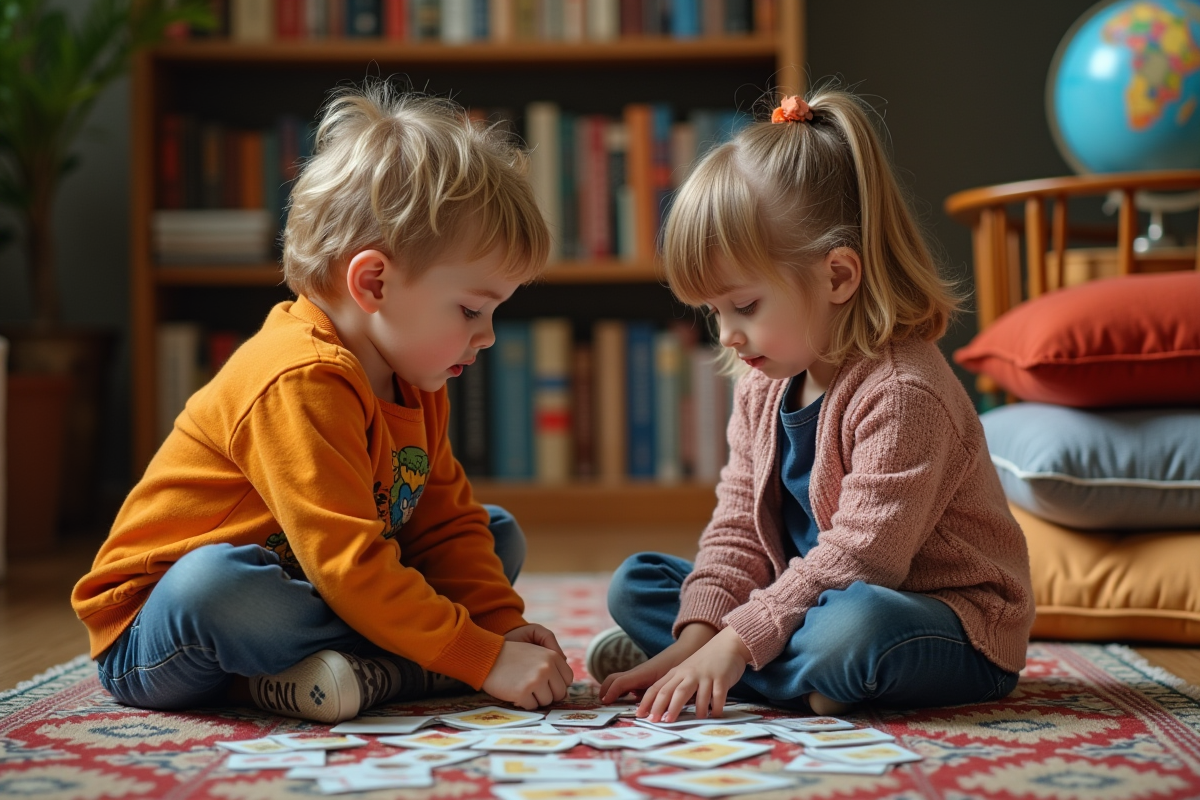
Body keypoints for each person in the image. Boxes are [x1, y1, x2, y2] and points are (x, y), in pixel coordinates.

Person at [72, 82, 574, 724]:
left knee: (493, 534)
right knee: (220, 586)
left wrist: (501, 628)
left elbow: (445, 525)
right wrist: (479, 655)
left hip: (322, 587)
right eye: (473, 309)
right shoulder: (298, 376)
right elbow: (348, 566)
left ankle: (354, 669)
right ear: (373, 282)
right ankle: (397, 664)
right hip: (161, 633)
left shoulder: (417, 382)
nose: (488, 335)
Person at [586, 89, 1035, 723]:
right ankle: (763, 677)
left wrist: (736, 643)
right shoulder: (764, 379)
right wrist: (697, 639)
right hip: (803, 601)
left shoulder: (903, 393)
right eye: (713, 313)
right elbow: (739, 522)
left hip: (941, 621)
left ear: (838, 277)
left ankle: (756, 674)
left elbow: (863, 560)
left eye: (744, 306)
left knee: (854, 628)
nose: (727, 336)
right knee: (638, 582)